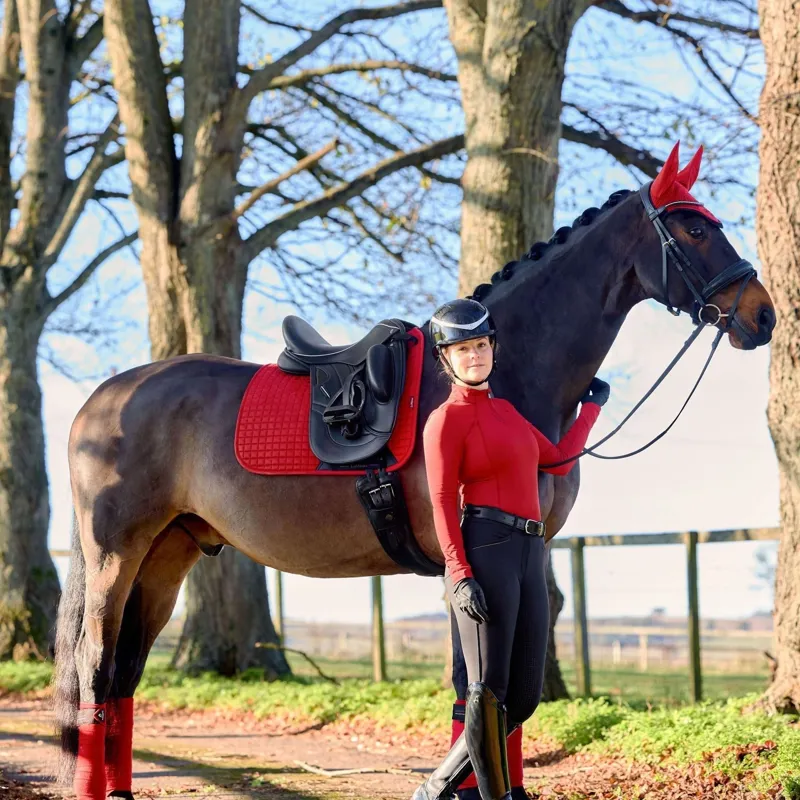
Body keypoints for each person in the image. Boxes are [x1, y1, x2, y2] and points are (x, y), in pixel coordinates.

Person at [413, 298, 609, 800]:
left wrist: (591, 409)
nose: (474, 355)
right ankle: (491, 796)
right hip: (486, 550)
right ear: (446, 358)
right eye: (463, 348)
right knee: (487, 691)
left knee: (522, 697)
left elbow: (557, 459)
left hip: (529, 551)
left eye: (481, 345)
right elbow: (441, 500)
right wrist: (459, 573)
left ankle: (433, 789)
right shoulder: (445, 420)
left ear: (493, 349)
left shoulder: (506, 413)